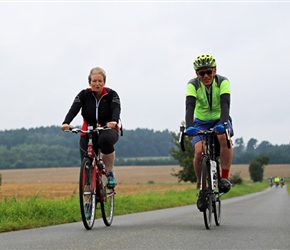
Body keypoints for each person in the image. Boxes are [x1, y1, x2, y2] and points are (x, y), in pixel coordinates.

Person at [184, 54, 234, 211]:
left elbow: (225, 104)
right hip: (201, 122)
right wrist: (190, 126)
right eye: (201, 73)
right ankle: (202, 186)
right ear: (196, 74)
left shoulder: (223, 82)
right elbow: (189, 107)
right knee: (199, 151)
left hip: (221, 118)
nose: (205, 76)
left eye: (209, 72)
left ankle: (224, 177)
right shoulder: (192, 84)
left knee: (223, 137)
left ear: (215, 71)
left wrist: (224, 123)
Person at [61, 66, 121, 188]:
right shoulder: (84, 95)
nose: (97, 84)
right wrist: (66, 122)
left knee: (104, 140)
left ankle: (109, 173)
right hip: (88, 130)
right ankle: (88, 202)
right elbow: (74, 108)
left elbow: (116, 108)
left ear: (104, 82)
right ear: (90, 82)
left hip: (107, 129)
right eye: (94, 81)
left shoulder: (111, 95)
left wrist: (113, 121)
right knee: (86, 167)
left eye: (100, 81)